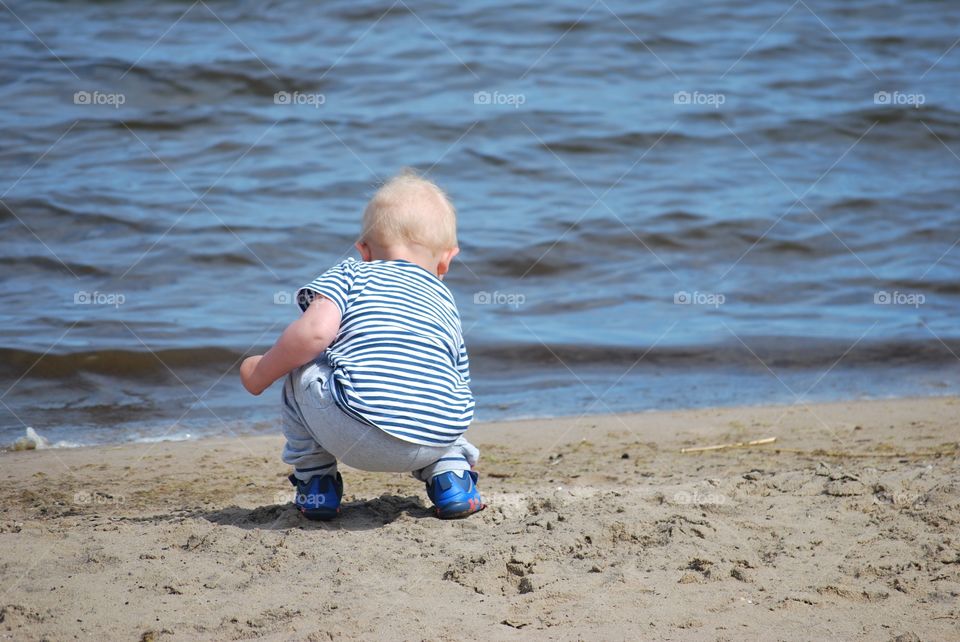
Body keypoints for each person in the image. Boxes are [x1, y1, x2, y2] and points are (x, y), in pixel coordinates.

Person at [239, 170, 483, 520]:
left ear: (364, 251)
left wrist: (261, 371)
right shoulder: (445, 300)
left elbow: (313, 335)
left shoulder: (352, 273)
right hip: (436, 438)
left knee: (303, 364)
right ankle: (452, 479)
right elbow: (459, 377)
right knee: (438, 384)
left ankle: (316, 483)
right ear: (447, 258)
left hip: (355, 431)